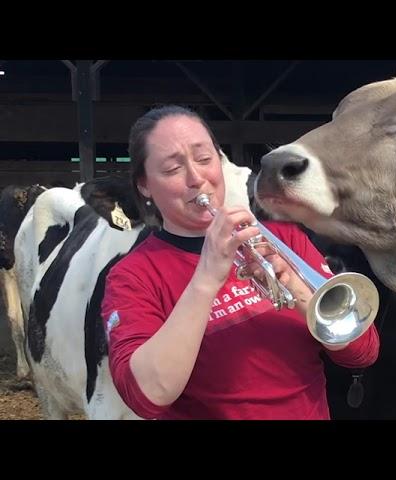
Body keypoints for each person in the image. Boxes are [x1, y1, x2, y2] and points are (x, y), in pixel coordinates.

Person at [100, 105, 380, 420]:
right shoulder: (132, 276)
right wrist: (205, 280)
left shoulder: (284, 240)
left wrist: (292, 283)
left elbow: (362, 352)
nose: (197, 178)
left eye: (205, 159)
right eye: (172, 169)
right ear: (144, 185)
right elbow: (146, 396)